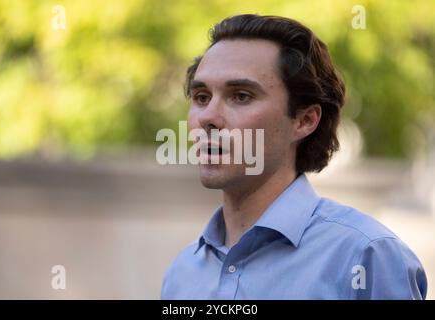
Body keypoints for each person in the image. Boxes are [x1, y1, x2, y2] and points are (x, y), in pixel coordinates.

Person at [161, 14, 427, 299]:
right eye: (201, 97)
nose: (209, 118)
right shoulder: (183, 273)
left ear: (304, 120)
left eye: (241, 96)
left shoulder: (365, 256)